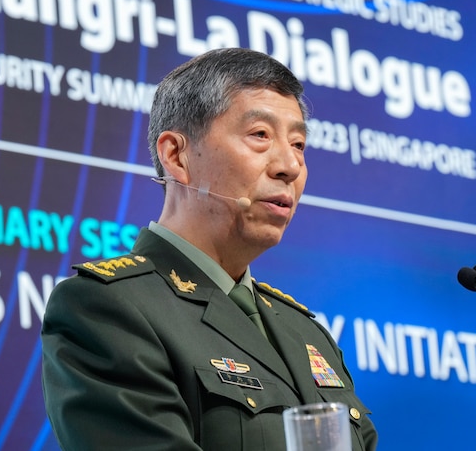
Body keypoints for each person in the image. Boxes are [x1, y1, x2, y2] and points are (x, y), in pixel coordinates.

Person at [41, 48, 379, 450]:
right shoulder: (108, 308)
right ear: (177, 156)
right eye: (260, 135)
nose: (289, 166)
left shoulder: (307, 333)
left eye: (299, 144)